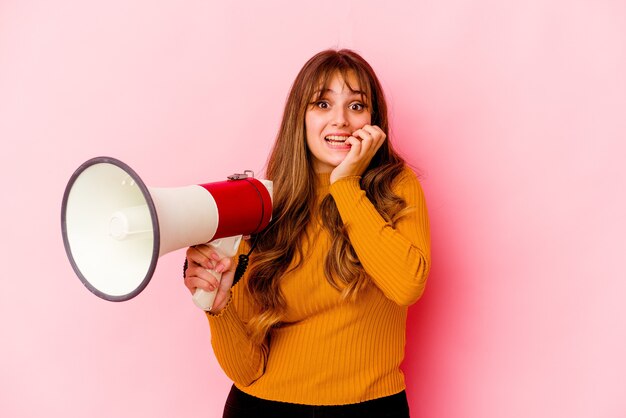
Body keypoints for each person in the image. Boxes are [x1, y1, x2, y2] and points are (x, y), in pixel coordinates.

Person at [183, 49, 431, 418]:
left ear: (374, 120)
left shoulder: (395, 186)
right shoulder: (265, 204)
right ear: (299, 117)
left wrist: (345, 185)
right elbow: (247, 371)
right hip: (262, 408)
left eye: (357, 106)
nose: (341, 121)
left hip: (370, 407)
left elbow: (406, 284)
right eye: (322, 104)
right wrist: (219, 309)